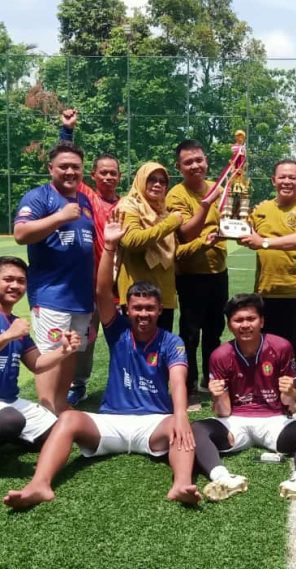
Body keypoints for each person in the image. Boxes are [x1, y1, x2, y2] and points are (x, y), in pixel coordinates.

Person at [3, 212, 200, 510]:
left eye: (149, 308)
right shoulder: (118, 331)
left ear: (160, 310)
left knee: (181, 424)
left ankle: (181, 484)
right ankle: (39, 485)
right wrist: (109, 247)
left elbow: (178, 381)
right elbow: (101, 291)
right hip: (110, 422)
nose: (143, 314)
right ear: (127, 310)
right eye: (137, 308)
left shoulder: (172, 342)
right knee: (68, 418)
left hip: (153, 424)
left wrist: (181, 415)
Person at [192, 293, 296, 503]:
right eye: (238, 320)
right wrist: (217, 395)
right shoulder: (220, 355)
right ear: (229, 325)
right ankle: (223, 478)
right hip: (235, 421)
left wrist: (289, 391)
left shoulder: (281, 347)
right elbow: (223, 411)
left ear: (262, 321)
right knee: (196, 429)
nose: (245, 325)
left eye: (251, 319)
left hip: (274, 421)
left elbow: (290, 405)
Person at [14, 141, 94, 415]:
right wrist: (59, 217)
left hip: (80, 298)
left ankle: (61, 406)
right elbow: (21, 233)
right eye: (64, 166)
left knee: (70, 351)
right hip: (51, 296)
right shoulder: (39, 197)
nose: (70, 171)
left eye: (76, 167)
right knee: (51, 353)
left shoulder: (83, 200)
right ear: (50, 168)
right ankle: (46, 413)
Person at [60, 108, 122, 406]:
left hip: (118, 286)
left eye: (113, 172)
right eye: (103, 172)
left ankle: (124, 383)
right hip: (87, 284)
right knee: (85, 337)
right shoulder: (86, 196)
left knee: (120, 336)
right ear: (94, 175)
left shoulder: (127, 204)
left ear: (119, 176)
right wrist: (67, 132)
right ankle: (79, 384)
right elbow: (67, 164)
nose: (108, 176)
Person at [240, 159, 296, 393]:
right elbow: (242, 229)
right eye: (282, 177)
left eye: (292, 177)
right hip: (265, 291)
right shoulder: (262, 209)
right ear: (273, 180)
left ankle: (295, 392)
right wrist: (226, 227)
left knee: (295, 347)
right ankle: (267, 389)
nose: (287, 181)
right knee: (265, 346)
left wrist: (263, 242)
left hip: (295, 292)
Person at [166, 139, 227, 409]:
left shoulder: (219, 187)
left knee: (215, 331)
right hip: (191, 274)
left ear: (206, 161)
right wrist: (205, 204)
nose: (195, 166)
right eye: (188, 162)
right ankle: (189, 387)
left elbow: (230, 220)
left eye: (199, 160)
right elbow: (185, 233)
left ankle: (210, 380)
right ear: (179, 167)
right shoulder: (176, 195)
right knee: (190, 334)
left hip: (218, 271)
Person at [0, 256, 81, 448]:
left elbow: (36, 364)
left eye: (21, 281)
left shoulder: (16, 323)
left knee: (56, 430)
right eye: (8, 279)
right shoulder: (15, 329)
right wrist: (8, 335)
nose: (15, 285)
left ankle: (11, 433)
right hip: (8, 412)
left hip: (9, 401)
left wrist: (64, 350)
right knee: (11, 420)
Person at [118, 162, 183, 332]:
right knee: (135, 346)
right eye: (152, 179)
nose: (157, 184)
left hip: (164, 295)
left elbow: (173, 252)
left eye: (162, 181)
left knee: (161, 346)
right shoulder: (129, 206)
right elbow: (132, 240)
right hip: (137, 296)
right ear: (141, 180)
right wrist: (170, 223)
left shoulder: (165, 211)